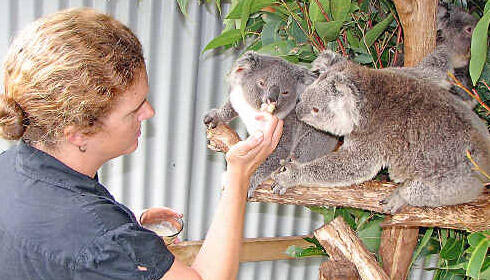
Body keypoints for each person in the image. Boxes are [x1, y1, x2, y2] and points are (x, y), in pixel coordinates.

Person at [0, 8, 283, 280]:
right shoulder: (100, 238)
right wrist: (239, 177)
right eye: (134, 109)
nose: (149, 112)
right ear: (77, 133)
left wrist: (135, 243)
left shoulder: (8, 169)